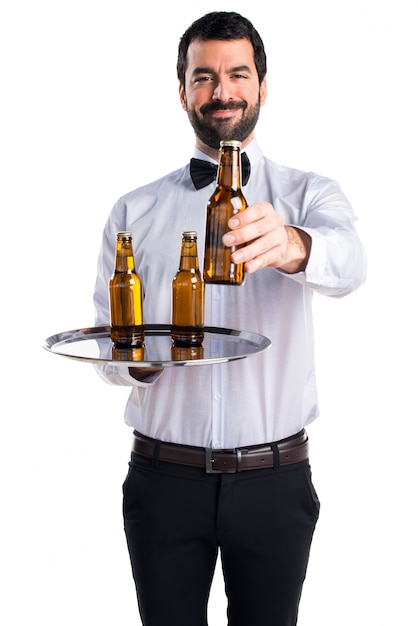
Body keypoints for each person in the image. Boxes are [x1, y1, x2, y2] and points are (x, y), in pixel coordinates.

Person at [93, 11, 367, 626]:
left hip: (276, 481)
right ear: (183, 90)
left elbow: (351, 266)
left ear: (263, 87)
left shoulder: (309, 193)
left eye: (237, 74)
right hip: (162, 480)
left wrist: (294, 245)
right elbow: (112, 351)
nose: (222, 92)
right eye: (204, 77)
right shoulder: (135, 210)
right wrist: (139, 363)